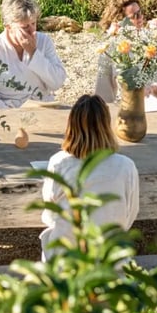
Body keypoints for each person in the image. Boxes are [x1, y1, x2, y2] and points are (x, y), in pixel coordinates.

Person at [40, 94, 139, 260]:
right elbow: (130, 213)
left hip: (66, 256)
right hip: (110, 255)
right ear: (107, 125)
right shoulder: (125, 166)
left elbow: (51, 212)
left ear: (71, 125)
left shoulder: (59, 163)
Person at [0, 0, 66, 108]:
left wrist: (34, 53)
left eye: (33, 23)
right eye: (25, 27)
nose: (31, 31)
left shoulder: (44, 41)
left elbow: (57, 82)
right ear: (8, 27)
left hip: (43, 109)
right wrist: (10, 114)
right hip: (9, 113)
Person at [95, 0, 157, 102]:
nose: (140, 18)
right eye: (134, 16)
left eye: (140, 12)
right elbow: (103, 91)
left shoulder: (150, 38)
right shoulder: (111, 47)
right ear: (120, 22)